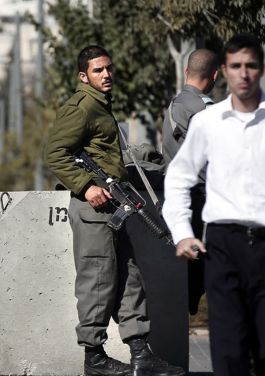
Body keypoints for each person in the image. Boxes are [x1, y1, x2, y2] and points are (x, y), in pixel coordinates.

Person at [162, 33, 265, 376]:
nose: (244, 74)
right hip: (225, 247)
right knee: (229, 354)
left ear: (261, 69)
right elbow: (179, 177)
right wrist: (181, 232)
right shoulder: (207, 122)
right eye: (236, 66)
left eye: (251, 66)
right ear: (223, 71)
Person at [44, 45, 184, 376]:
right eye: (97, 70)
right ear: (84, 76)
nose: (106, 74)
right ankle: (94, 357)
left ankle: (140, 354)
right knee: (97, 280)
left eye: (108, 68)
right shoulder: (81, 108)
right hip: (93, 210)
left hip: (112, 208)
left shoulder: (100, 105)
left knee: (129, 280)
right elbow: (55, 153)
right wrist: (87, 186)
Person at [161, 48, 218, 315]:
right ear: (215, 75)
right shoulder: (208, 111)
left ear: (186, 71)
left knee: (186, 270)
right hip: (203, 199)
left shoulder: (173, 107)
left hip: (178, 199)